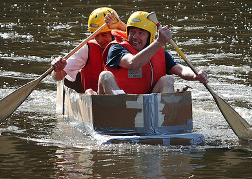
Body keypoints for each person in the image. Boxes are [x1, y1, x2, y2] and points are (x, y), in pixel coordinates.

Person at [98, 11, 208, 94]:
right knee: (105, 76)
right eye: (132, 32)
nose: (135, 37)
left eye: (141, 33)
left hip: (149, 104)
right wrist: (160, 42)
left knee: (168, 79)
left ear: (150, 36)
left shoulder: (158, 51)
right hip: (119, 103)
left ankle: (165, 118)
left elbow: (181, 69)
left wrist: (195, 75)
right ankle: (120, 116)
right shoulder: (116, 48)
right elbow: (133, 63)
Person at [51, 7, 126, 94]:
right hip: (94, 101)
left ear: (114, 32)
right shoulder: (87, 49)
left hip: (122, 100)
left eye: (104, 35)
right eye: (96, 35)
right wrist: (57, 70)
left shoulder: (127, 44)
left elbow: (144, 44)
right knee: (89, 92)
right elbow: (58, 78)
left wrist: (121, 25)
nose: (99, 40)